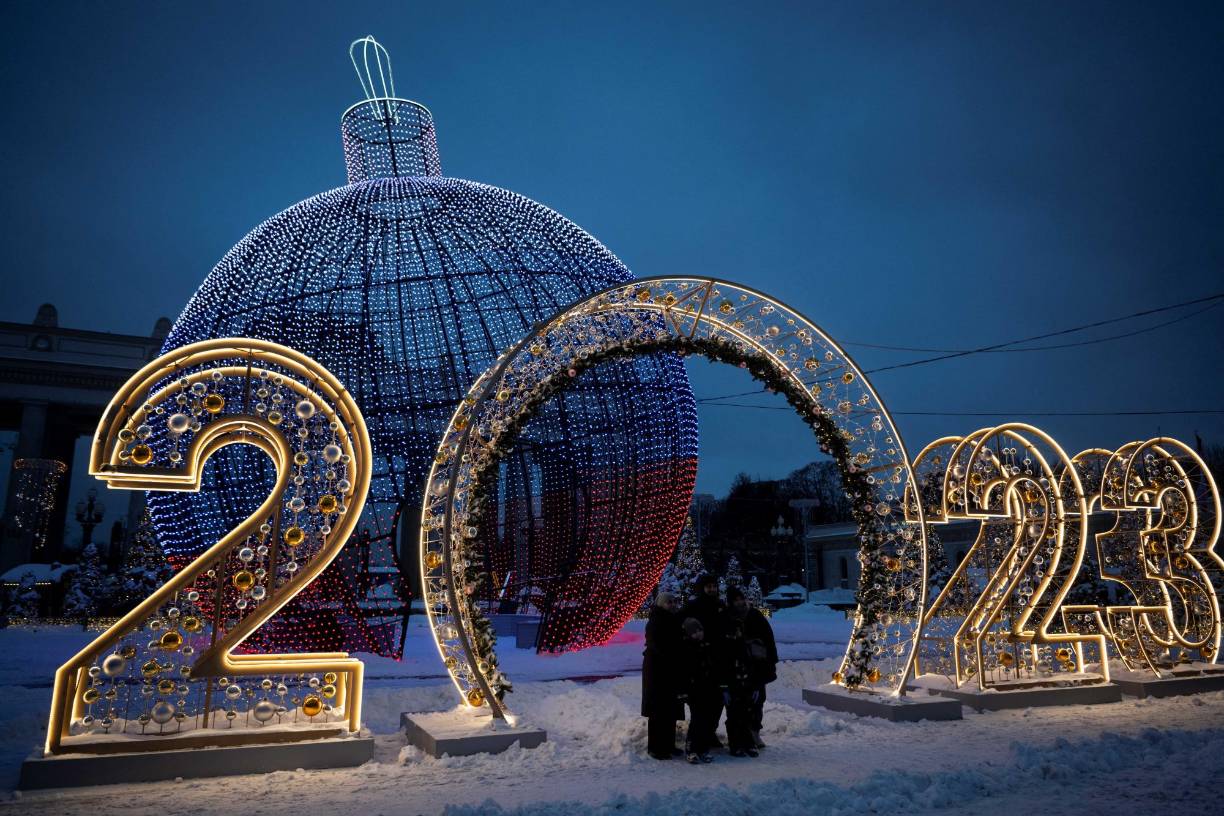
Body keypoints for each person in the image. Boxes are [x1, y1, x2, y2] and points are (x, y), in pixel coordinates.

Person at [725, 585, 778, 749]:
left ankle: (754, 732)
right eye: (736, 600)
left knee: (757, 700)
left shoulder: (754, 615)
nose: (739, 602)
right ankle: (740, 736)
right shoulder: (728, 617)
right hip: (737, 666)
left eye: (741, 598)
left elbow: (768, 638)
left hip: (757, 664)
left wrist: (770, 660)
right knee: (737, 703)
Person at [680, 574, 726, 747]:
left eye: (714, 586)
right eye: (708, 587)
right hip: (698, 658)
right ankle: (697, 737)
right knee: (699, 703)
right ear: (702, 588)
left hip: (717, 657)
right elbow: (681, 623)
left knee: (717, 701)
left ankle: (709, 733)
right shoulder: (693, 605)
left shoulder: (721, 605)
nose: (712, 589)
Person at [641, 592, 684, 760]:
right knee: (658, 710)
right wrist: (672, 656)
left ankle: (668, 745)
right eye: (668, 602)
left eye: (674, 602)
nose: (672, 604)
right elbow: (656, 645)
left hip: (670, 670)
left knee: (670, 709)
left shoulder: (673, 619)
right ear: (661, 604)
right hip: (658, 671)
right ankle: (656, 748)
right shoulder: (655, 621)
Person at [679, 616, 722, 764]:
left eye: (700, 630)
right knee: (698, 720)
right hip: (695, 691)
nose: (698, 634)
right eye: (694, 632)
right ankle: (691, 749)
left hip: (710, 689)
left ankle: (703, 748)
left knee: (709, 720)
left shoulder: (707, 646)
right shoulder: (687, 648)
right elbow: (683, 673)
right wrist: (684, 691)